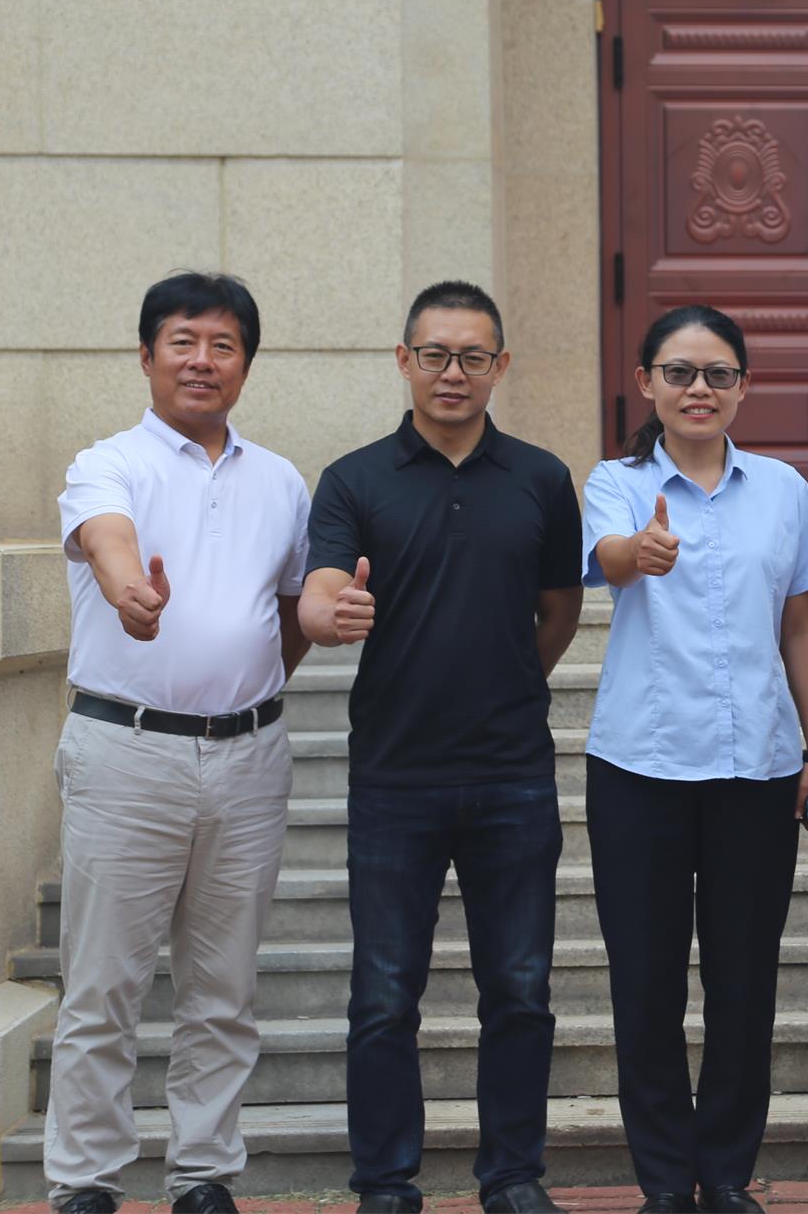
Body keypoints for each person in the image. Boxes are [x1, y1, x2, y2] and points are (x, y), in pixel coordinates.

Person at [299, 281, 584, 1214]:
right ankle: (386, 1182)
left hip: (512, 773)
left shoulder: (541, 477)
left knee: (520, 988)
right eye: (434, 354)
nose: (452, 372)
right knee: (384, 995)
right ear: (403, 360)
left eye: (472, 356)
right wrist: (333, 611)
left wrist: (509, 676)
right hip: (396, 774)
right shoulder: (354, 479)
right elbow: (323, 584)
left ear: (500, 365)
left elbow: (559, 608)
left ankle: (512, 1176)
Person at [47, 272, 311, 1214]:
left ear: (246, 362)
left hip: (248, 757)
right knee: (102, 985)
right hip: (128, 751)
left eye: (222, 344)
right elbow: (108, 539)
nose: (202, 360)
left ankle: (203, 1174)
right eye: (183, 341)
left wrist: (247, 685)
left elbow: (291, 611)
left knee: (223, 986)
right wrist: (131, 593)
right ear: (147, 354)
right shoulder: (107, 462)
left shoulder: (281, 481)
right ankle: (86, 1180)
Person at [580, 305, 808, 1214]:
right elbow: (609, 558)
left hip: (757, 770)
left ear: (743, 387)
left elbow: (799, 624)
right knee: (645, 982)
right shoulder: (615, 482)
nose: (699, 388)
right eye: (679, 372)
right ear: (646, 383)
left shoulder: (783, 489)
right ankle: (663, 1179)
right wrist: (639, 551)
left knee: (743, 980)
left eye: (718, 373)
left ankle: (725, 1172)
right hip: (639, 769)